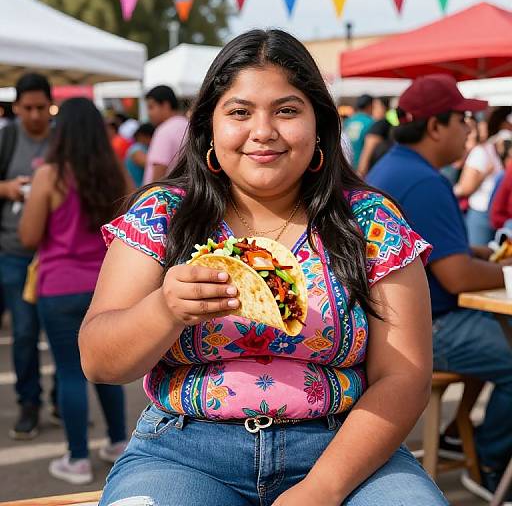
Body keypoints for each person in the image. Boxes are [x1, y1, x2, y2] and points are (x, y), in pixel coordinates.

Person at [79, 29, 447, 506]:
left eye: (287, 110)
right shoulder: (163, 214)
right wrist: (165, 308)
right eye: (239, 112)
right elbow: (99, 361)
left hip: (346, 448)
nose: (263, 131)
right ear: (209, 125)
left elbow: (405, 376)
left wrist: (322, 488)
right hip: (183, 452)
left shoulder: (371, 221)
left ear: (320, 125)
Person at [367, 74, 512, 503]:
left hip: (396, 322)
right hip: (426, 327)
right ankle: (491, 464)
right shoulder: (425, 181)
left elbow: (439, 251)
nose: (471, 128)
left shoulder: (395, 166)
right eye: (463, 118)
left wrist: (483, 253)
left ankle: (454, 436)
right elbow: (457, 277)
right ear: (435, 126)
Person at [19, 98, 129, 485]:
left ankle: (77, 459)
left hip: (60, 288)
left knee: (69, 372)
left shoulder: (50, 175)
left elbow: (29, 235)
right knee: (108, 370)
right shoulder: (115, 172)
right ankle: (118, 443)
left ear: (60, 130)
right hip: (108, 284)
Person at [0, 73, 54, 439]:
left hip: (55, 255)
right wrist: (6, 188)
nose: (35, 115)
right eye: (27, 108)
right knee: (23, 333)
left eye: (41, 108)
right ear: (16, 107)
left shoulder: (63, 141)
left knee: (63, 334)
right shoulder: (6, 137)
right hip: (14, 253)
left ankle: (62, 399)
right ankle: (28, 402)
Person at [453, 107, 512, 245]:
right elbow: (466, 187)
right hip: (484, 213)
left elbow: (466, 188)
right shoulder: (484, 151)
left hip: (485, 213)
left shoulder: (485, 150)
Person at [143, 85, 188, 184]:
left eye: (151, 107)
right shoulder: (188, 125)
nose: (149, 113)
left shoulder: (165, 130)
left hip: (162, 195)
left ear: (165, 105)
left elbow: (159, 169)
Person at [357, 97, 394, 178]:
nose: (373, 110)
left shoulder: (379, 125)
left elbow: (369, 148)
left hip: (372, 173)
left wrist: (361, 172)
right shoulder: (392, 123)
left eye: (375, 107)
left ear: (384, 108)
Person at [343, 94, 374, 169]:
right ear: (370, 106)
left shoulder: (348, 121)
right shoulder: (371, 122)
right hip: (361, 168)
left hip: (345, 165)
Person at [124, 123, 154, 188]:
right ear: (141, 136)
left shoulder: (145, 148)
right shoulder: (136, 149)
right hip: (137, 189)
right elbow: (150, 165)